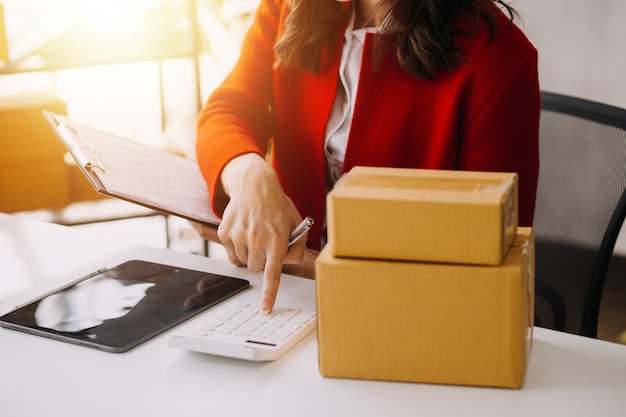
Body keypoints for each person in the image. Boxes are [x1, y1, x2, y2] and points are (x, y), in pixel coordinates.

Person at [191, 0, 540, 315]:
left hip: (405, 317)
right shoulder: (291, 7)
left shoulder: (500, 60)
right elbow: (227, 110)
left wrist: (311, 264)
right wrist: (250, 174)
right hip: (286, 302)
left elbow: (487, 263)